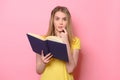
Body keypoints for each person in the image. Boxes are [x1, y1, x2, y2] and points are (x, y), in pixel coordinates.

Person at [36, 6, 80, 80]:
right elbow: (39, 71)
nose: (61, 22)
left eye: (64, 19)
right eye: (57, 19)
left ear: (68, 22)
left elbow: (70, 69)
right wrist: (43, 62)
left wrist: (66, 42)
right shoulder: (43, 40)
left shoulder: (75, 41)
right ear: (52, 21)